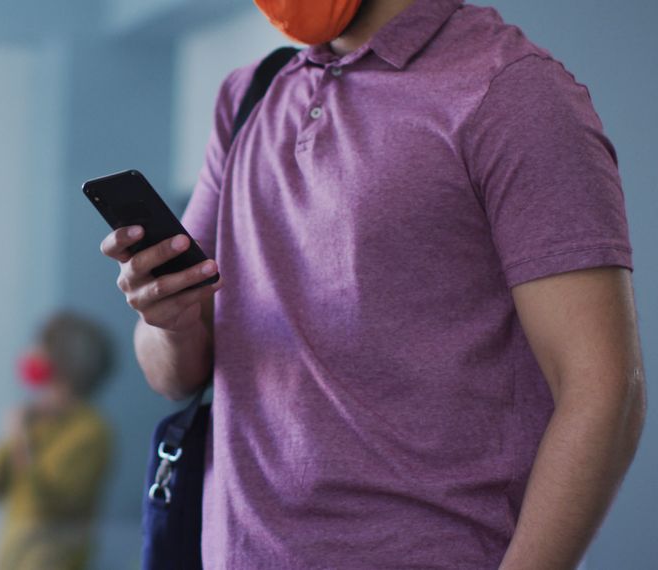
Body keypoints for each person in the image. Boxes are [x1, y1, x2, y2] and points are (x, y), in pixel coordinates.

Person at [99, 0, 645, 568]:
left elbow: (604, 391)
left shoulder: (512, 91)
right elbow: (172, 376)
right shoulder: (249, 97)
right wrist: (169, 319)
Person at [0, 312, 113, 570]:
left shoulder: (91, 431)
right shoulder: (33, 420)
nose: (31, 354)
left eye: (40, 346)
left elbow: (50, 502)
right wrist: (19, 432)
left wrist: (21, 439)